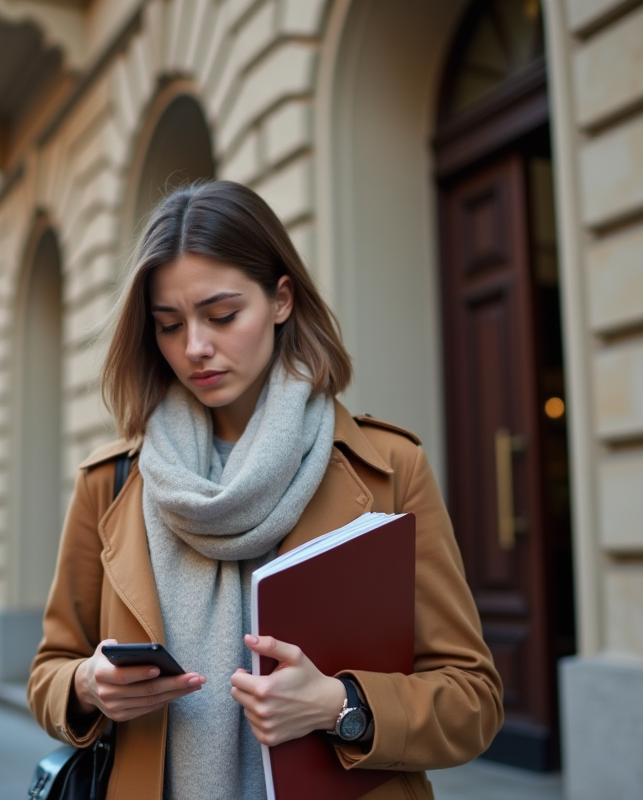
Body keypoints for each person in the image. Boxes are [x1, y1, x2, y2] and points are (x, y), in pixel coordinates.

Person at [28, 181, 503, 800]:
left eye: (222, 316)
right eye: (169, 325)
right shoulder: (111, 482)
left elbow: (474, 698)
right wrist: (89, 686)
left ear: (281, 299)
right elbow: (48, 673)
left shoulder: (387, 468)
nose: (195, 347)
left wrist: (341, 704)